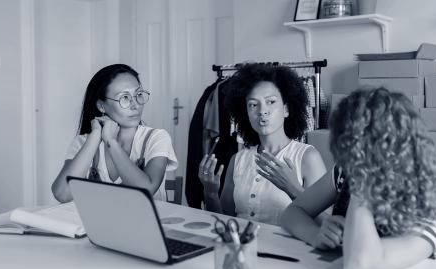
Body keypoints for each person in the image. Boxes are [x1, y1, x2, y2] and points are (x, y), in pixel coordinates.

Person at [280, 88, 436, 269]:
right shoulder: (344, 174)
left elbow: (359, 265)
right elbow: (292, 213)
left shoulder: (429, 217)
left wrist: (361, 184)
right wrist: (315, 234)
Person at [199, 63, 327, 225]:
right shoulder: (237, 160)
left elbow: (326, 224)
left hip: (285, 250)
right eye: (253, 104)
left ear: (286, 109)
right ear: (245, 113)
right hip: (242, 248)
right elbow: (225, 222)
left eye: (271, 102)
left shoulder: (307, 157)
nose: (262, 111)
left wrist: (292, 189)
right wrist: (210, 193)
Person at [51, 64, 178, 203]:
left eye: (138, 95)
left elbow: (147, 190)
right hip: (99, 224)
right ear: (101, 106)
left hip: (147, 224)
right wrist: (95, 137)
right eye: (124, 97)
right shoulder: (83, 142)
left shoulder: (157, 138)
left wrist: (111, 141)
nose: (135, 105)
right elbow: (62, 194)